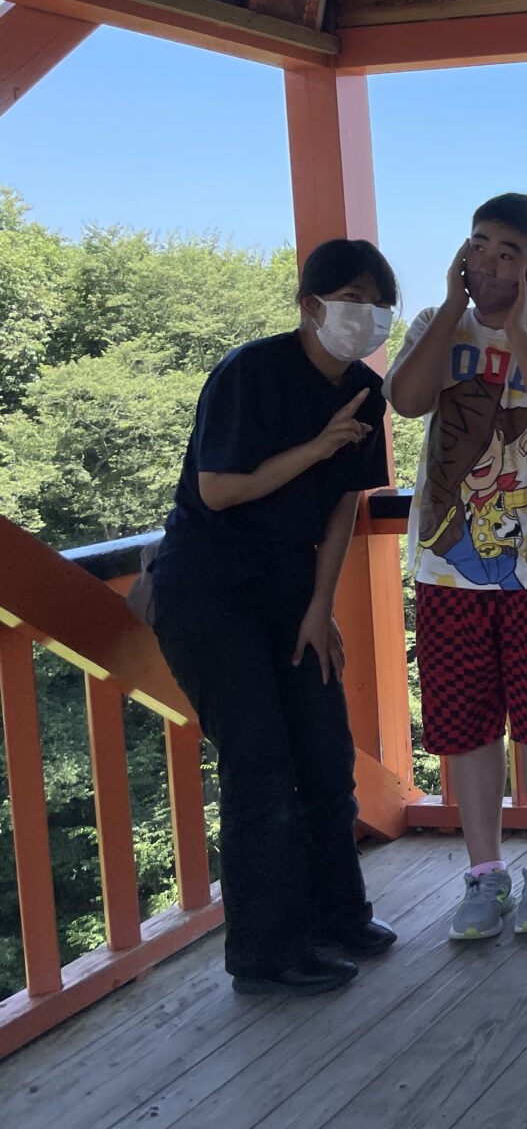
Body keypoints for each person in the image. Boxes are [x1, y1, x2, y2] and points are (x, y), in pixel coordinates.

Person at [150, 239, 400, 995]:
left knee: (325, 752)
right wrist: (318, 444)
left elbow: (344, 504)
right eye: (351, 299)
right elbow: (220, 489)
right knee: (260, 766)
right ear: (311, 305)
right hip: (210, 586)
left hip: (293, 590)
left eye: (378, 302)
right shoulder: (248, 372)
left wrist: (321, 607)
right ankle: (266, 952)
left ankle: (338, 914)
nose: (366, 316)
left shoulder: (365, 388)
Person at [387, 194, 527, 941]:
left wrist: (518, 328)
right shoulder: (433, 329)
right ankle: (483, 872)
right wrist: (451, 307)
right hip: (448, 567)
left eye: (507, 250)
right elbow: (407, 400)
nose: (487, 259)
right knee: (467, 722)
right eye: (478, 244)